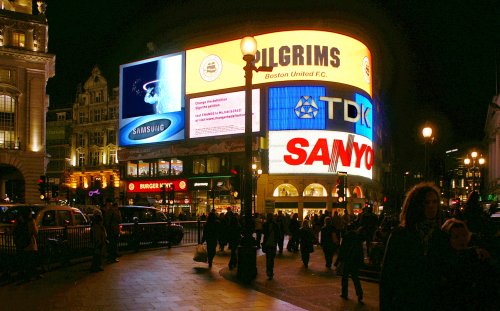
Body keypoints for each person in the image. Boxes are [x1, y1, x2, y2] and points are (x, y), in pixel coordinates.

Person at [380, 182, 448, 311]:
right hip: (405, 302)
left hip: (432, 303)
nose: (432, 207)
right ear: (417, 205)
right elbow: (387, 276)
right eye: (426, 203)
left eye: (434, 202)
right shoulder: (400, 235)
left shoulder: (441, 236)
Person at [437, 218, 498, 311]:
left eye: (464, 235)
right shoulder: (445, 263)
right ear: (448, 240)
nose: (462, 239)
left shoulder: (479, 256)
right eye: (456, 237)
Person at [335, 224, 364, 304]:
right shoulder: (357, 237)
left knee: (345, 277)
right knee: (355, 278)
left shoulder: (346, 236)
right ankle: (359, 293)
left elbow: (342, 249)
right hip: (354, 260)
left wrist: (338, 261)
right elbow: (360, 250)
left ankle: (345, 293)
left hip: (347, 260)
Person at [13, 206, 40, 281]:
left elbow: (14, 230)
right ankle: (31, 275)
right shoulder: (31, 221)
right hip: (29, 243)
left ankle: (21, 274)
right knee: (31, 260)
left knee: (22, 260)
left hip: (20, 243)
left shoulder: (18, 220)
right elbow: (35, 232)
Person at [262, 213, 280, 280]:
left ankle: (269, 271)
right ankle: (270, 272)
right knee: (271, 259)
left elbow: (263, 232)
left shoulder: (265, 225)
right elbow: (278, 234)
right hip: (272, 244)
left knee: (269, 259)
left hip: (268, 243)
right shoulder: (275, 225)